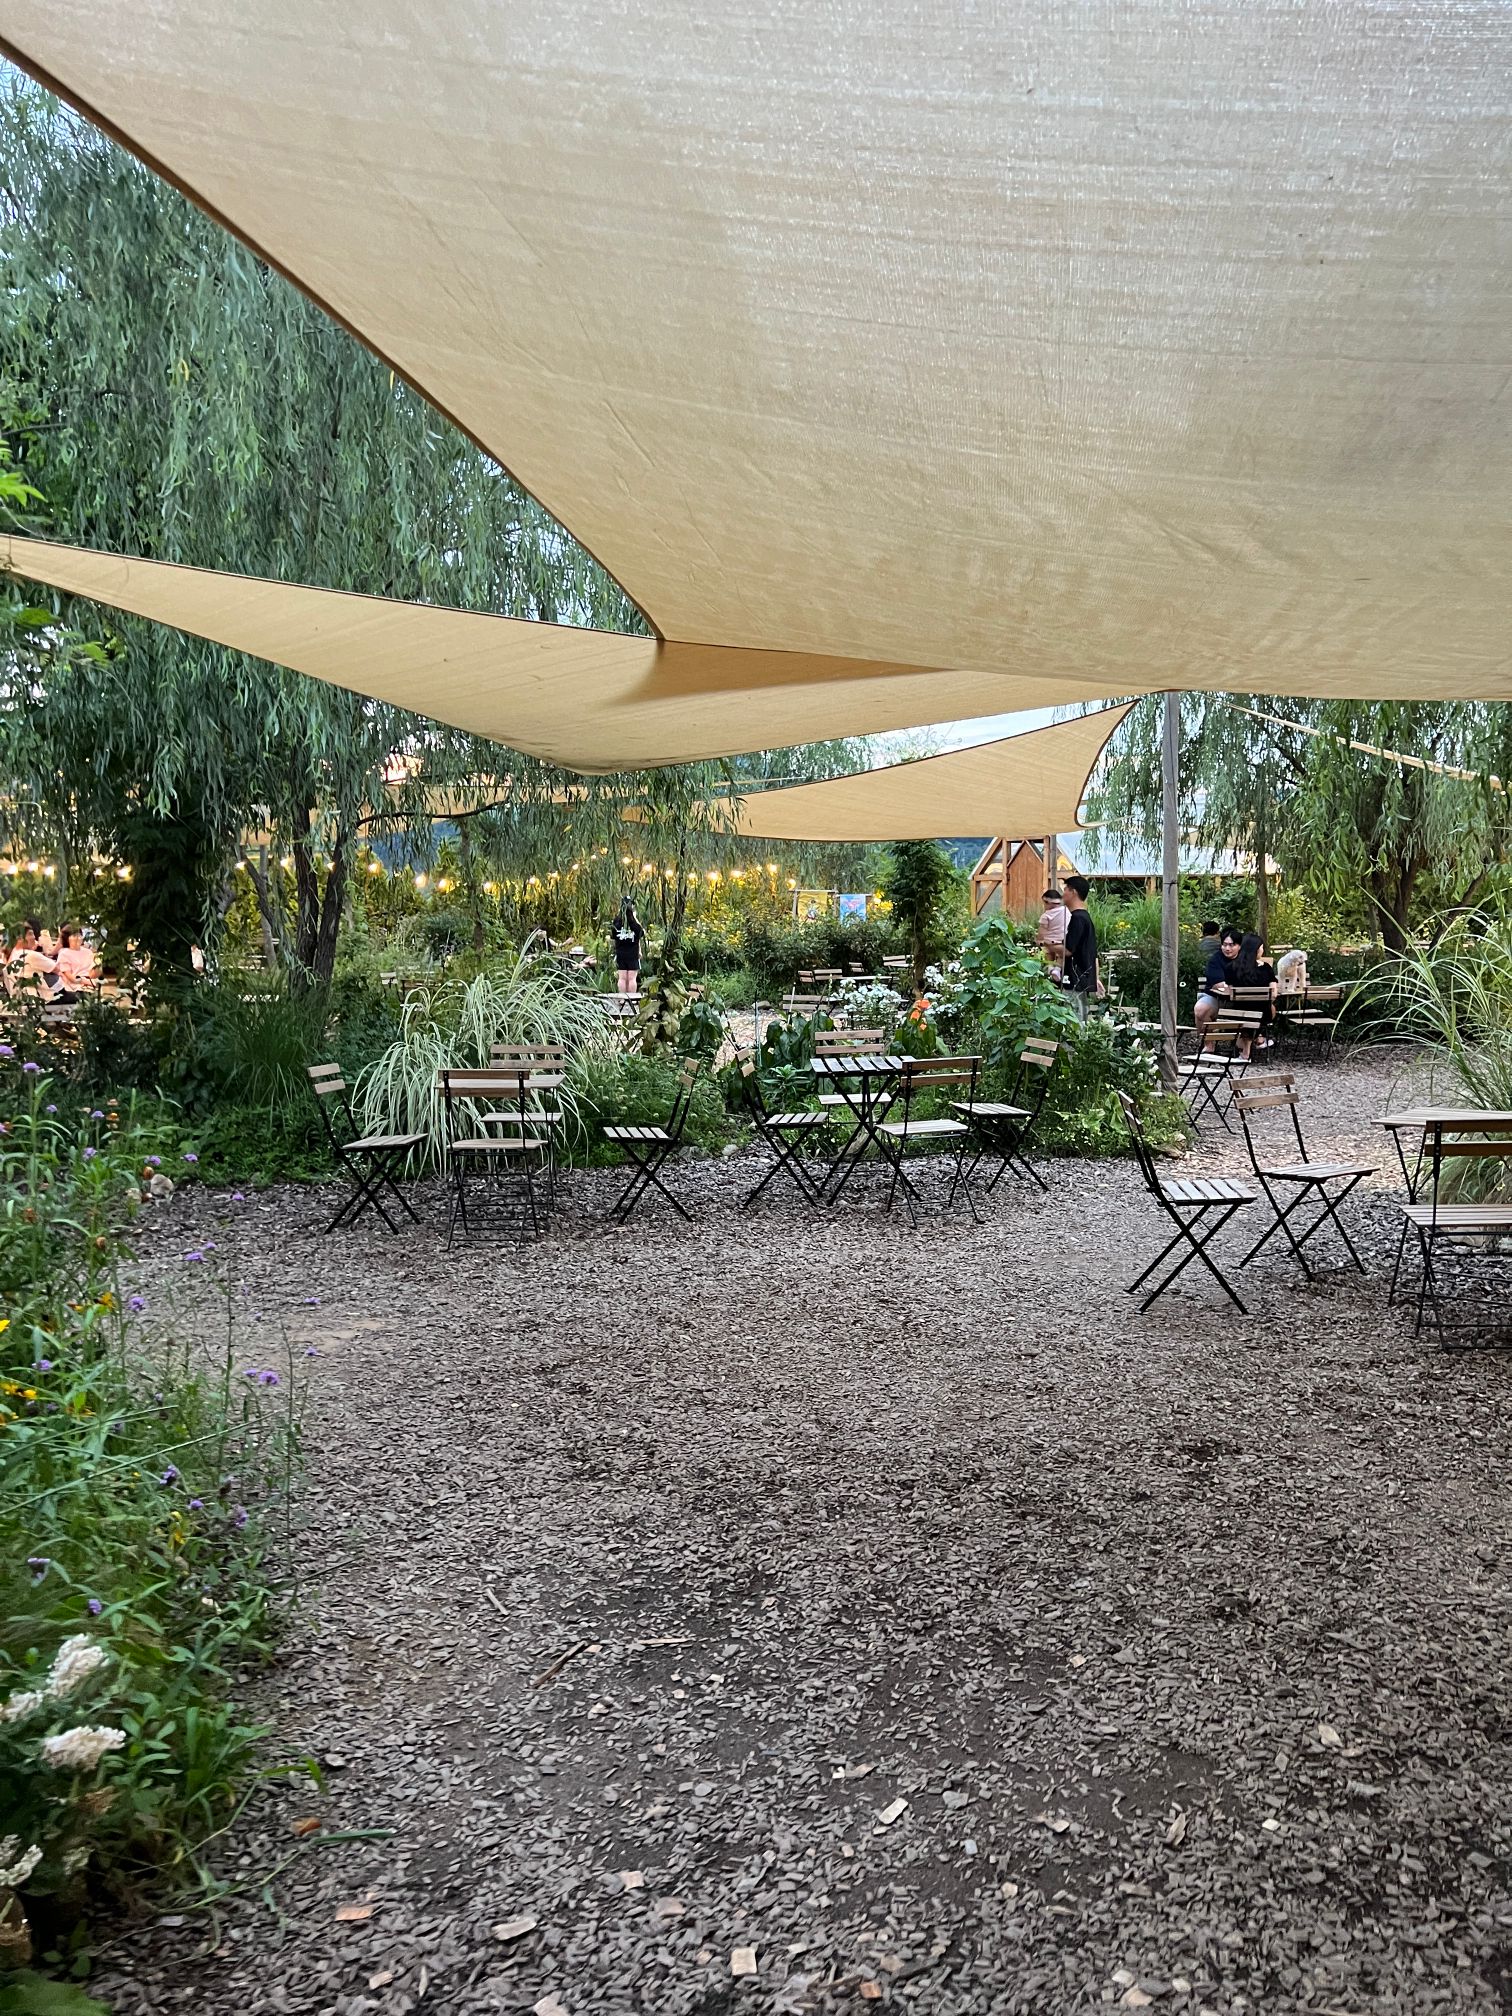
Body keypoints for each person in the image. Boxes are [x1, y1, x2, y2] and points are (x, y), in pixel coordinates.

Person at [1060, 875, 1101, 1017]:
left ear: (1073, 892)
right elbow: (1093, 953)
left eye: (1066, 889)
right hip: (1082, 979)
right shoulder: (1085, 917)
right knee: (1080, 1017)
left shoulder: (1077, 919)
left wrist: (1048, 944)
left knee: (1073, 1019)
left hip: (1074, 980)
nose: (1063, 893)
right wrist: (1095, 977)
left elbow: (1067, 950)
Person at [1233, 930, 1278, 1054]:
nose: (1262, 950)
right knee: (1271, 1008)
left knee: (1248, 1011)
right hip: (1263, 1013)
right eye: (1261, 947)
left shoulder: (1233, 967)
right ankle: (1258, 1039)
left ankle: (1247, 1044)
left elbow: (1228, 989)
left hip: (1236, 1013)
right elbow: (1273, 993)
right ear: (1256, 950)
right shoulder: (1266, 968)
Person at [1194, 925, 1243, 1033]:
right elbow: (1220, 986)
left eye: (1231, 945)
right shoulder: (1215, 960)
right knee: (1201, 1010)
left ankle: (1256, 1039)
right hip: (1216, 998)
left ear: (1239, 946)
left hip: (1243, 1000)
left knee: (1269, 1009)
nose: (1227, 948)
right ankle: (1209, 1042)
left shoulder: (1246, 959)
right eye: (1224, 945)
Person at [7, 921, 59, 999]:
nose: (34, 937)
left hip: (21, 996)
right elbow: (59, 969)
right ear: (19, 938)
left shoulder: (14, 953)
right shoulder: (31, 955)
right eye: (30, 934)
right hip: (42, 998)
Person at [608, 896, 645, 995]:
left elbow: (613, 936)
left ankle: (622, 999)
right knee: (632, 978)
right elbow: (641, 933)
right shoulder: (634, 922)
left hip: (621, 953)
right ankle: (631, 999)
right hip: (633, 953)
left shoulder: (617, 921)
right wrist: (635, 919)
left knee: (622, 978)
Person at [54, 925, 97, 1001]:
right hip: (74, 987)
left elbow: (93, 971)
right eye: (74, 936)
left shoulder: (88, 952)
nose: (78, 938)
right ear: (67, 939)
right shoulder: (64, 953)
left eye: (79, 935)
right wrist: (85, 981)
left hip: (90, 984)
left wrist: (93, 982)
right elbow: (71, 978)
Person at [1036, 885, 1069, 978]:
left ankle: (1050, 967)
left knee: (1048, 952)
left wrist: (1039, 940)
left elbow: (1042, 930)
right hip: (1063, 940)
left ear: (1047, 903)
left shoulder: (1046, 915)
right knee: (1061, 956)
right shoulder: (1066, 910)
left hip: (1049, 941)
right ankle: (1057, 969)